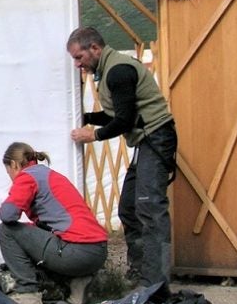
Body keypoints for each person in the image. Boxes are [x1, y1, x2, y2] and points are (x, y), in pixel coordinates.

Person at [67, 27, 177, 287]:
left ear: (94, 48)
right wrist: (87, 118)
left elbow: (124, 121)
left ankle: (156, 282)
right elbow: (118, 114)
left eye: (79, 57)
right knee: (129, 207)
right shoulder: (108, 71)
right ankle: (139, 271)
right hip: (145, 141)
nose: (77, 64)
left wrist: (92, 135)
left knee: (151, 209)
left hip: (156, 137)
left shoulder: (118, 71)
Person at [0, 142, 108, 304]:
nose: (10, 177)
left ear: (14, 165)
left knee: (6, 231)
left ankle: (28, 295)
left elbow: (7, 214)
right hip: (97, 251)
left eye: (9, 172)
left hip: (76, 252)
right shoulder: (50, 175)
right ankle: (79, 282)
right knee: (35, 233)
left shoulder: (27, 177)